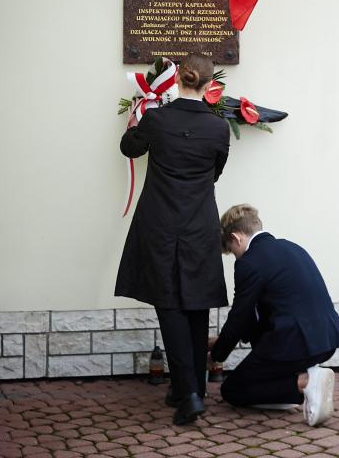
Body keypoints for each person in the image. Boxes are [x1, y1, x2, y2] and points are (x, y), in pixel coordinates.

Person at [116, 53, 230, 426]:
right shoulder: (218, 128)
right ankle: (190, 388)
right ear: (209, 85)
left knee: (170, 306)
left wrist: (137, 118)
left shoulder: (157, 119)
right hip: (199, 224)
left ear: (178, 79)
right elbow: (214, 173)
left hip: (160, 222)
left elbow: (129, 148)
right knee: (196, 305)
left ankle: (189, 394)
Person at [209, 205, 339, 427]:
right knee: (262, 361)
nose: (235, 256)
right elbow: (255, 318)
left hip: (294, 342)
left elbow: (239, 317)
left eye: (232, 250)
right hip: (327, 338)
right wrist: (222, 341)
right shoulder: (293, 247)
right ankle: (295, 386)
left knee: (232, 389)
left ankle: (305, 382)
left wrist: (216, 355)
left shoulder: (249, 262)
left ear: (236, 238)